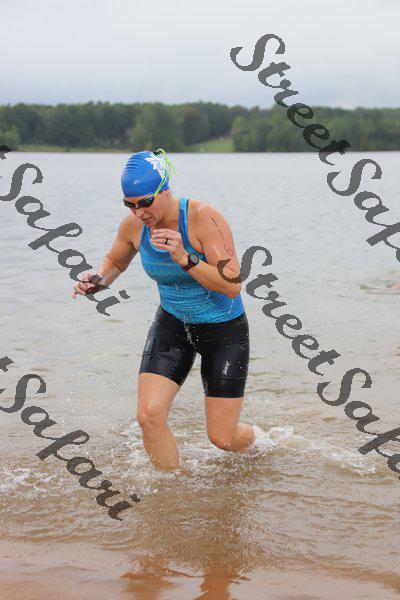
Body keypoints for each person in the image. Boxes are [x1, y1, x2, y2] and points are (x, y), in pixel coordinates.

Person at [72, 149, 256, 471]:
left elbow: (232, 284)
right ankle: (171, 489)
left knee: (222, 439)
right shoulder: (133, 226)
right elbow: (115, 261)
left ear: (165, 190)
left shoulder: (203, 218)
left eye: (145, 202)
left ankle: (260, 444)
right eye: (130, 204)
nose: (139, 212)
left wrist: (185, 258)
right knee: (148, 417)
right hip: (173, 325)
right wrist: (97, 281)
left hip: (223, 331)